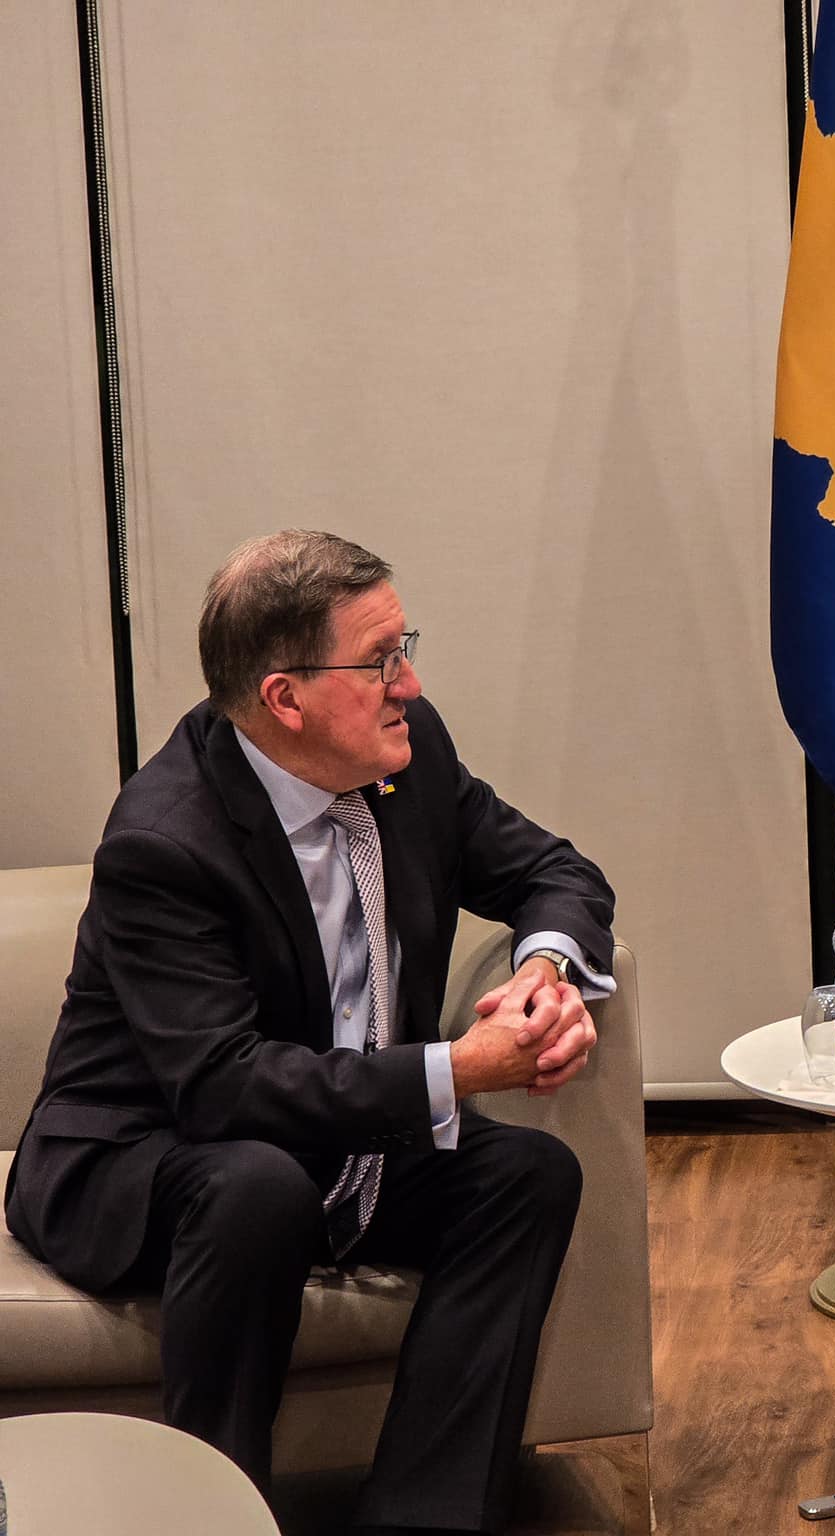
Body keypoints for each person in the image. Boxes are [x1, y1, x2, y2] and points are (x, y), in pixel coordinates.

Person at [4, 531, 617, 1536]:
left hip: (331, 1142)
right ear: (284, 698)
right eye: (379, 662)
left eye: (404, 648)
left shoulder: (407, 758)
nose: (409, 684)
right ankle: (213, 1515)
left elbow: (555, 871)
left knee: (526, 1175)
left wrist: (540, 976)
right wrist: (457, 1069)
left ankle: (425, 1518)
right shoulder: (166, 840)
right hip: (147, 1152)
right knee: (257, 1186)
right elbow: (223, 1087)